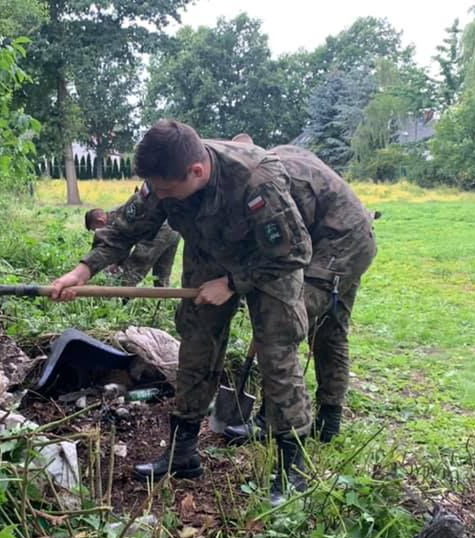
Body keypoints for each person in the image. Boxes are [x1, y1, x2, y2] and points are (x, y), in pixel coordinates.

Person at [51, 120, 315, 503]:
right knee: (196, 347)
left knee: (277, 356)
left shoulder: (258, 179)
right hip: (209, 252)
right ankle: (183, 452)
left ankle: (293, 471)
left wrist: (232, 284)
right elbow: (126, 227)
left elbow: (294, 251)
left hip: (269, 263)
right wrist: (82, 270)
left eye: (167, 191)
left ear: (197, 171)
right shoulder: (165, 177)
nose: (161, 196)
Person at [225, 134, 376, 443]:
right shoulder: (276, 160)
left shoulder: (274, 178)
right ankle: (327, 420)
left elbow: (288, 244)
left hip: (340, 243)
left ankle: (275, 418)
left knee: (282, 324)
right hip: (346, 238)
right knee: (329, 330)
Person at [84, 206, 181, 287]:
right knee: (162, 273)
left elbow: (122, 245)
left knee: (134, 270)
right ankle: (162, 303)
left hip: (158, 231)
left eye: (95, 229)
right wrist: (118, 264)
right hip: (173, 226)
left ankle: (119, 302)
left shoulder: (115, 221)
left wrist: (116, 265)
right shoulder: (118, 212)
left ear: (100, 221)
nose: (98, 232)